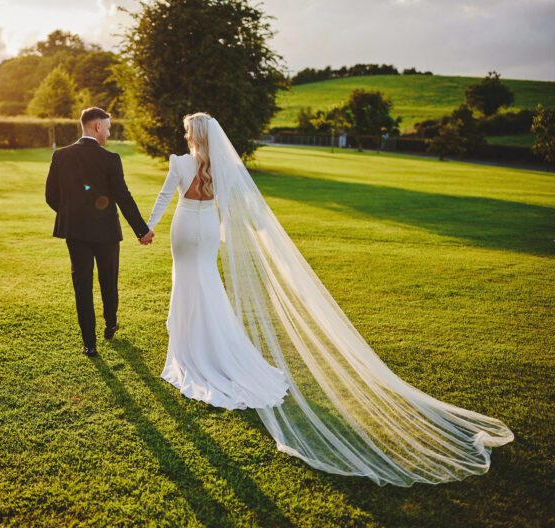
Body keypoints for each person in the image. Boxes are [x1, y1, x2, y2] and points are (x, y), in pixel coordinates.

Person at [144, 112, 514, 487]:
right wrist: (221, 233)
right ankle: (213, 348)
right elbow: (231, 208)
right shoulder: (219, 166)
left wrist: (147, 229)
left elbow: (162, 199)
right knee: (207, 284)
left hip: (184, 227)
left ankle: (191, 350)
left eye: (187, 130)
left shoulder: (179, 163)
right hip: (205, 229)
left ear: (194, 134)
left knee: (187, 284)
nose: (184, 133)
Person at [45, 107, 154, 357]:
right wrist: (142, 231)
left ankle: (89, 344)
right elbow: (123, 198)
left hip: (75, 232)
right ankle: (110, 323)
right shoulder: (110, 159)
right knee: (108, 280)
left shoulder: (60, 156)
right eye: (107, 126)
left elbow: (51, 196)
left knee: (81, 285)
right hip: (106, 232)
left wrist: (70, 213)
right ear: (96, 127)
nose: (109, 131)